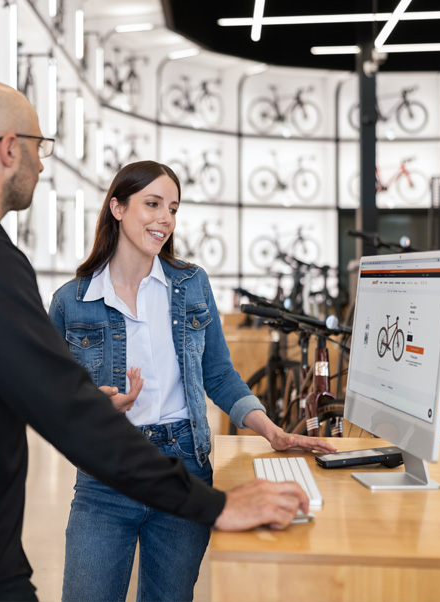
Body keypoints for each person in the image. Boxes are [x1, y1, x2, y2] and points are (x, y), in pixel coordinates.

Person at [0, 77, 317, 602]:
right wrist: (218, 505)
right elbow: (64, 408)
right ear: (9, 148)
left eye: (173, 208)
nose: (42, 163)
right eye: (39, 146)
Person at [49, 161, 337, 602]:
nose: (165, 218)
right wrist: (92, 406)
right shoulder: (72, 301)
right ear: (117, 208)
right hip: (105, 475)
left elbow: (218, 374)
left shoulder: (191, 284)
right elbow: (50, 398)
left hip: (185, 465)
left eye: (173, 208)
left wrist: (271, 431)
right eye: (152, 204)